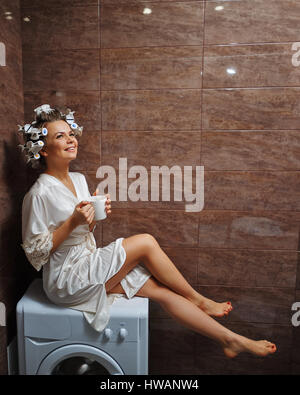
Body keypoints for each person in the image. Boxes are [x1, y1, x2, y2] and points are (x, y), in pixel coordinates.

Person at [18, 104, 276, 359]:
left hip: (87, 263)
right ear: (42, 149)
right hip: (66, 279)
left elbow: (85, 230)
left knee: (160, 291)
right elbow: (35, 254)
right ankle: (198, 299)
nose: (70, 139)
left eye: (70, 133)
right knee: (145, 243)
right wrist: (73, 223)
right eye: (59, 136)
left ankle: (230, 340)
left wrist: (93, 216)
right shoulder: (39, 193)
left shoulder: (78, 180)